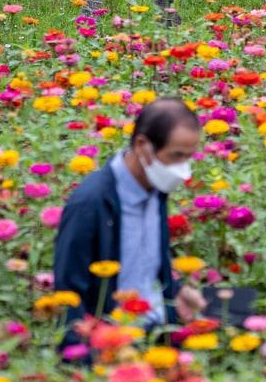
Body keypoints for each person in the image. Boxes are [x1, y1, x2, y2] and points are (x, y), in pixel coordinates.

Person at [53, 97, 207, 360]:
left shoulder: (155, 188)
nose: (183, 169)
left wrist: (177, 291)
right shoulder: (91, 203)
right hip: (114, 343)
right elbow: (69, 295)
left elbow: (148, 266)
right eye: (175, 156)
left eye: (188, 156)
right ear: (142, 145)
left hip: (159, 328)